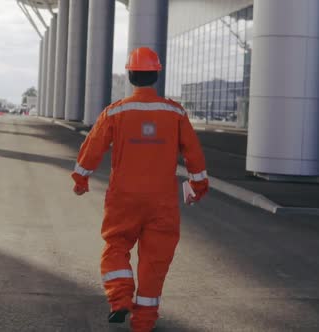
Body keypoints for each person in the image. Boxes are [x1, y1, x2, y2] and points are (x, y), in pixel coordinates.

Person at [71, 47, 209, 331]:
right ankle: (144, 322)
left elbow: (93, 147)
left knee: (116, 246)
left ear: (130, 75)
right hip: (162, 202)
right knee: (155, 262)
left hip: (124, 198)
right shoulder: (175, 112)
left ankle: (120, 298)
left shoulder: (116, 111)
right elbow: (193, 153)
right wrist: (198, 185)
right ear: (155, 75)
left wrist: (81, 178)